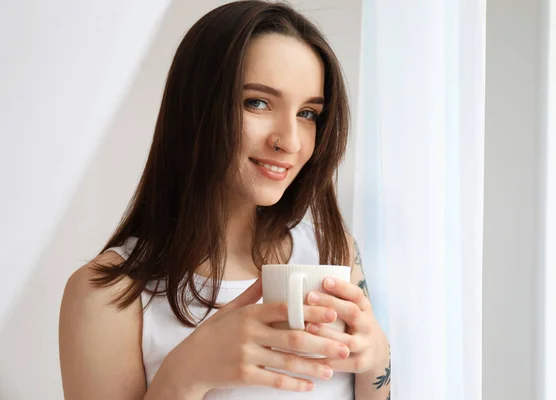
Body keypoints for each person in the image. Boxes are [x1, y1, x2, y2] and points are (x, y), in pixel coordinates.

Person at [58, 1, 390, 399]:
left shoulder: (333, 250)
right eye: (258, 103)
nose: (289, 141)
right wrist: (185, 374)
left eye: (307, 113)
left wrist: (375, 359)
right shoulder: (108, 295)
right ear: (195, 107)